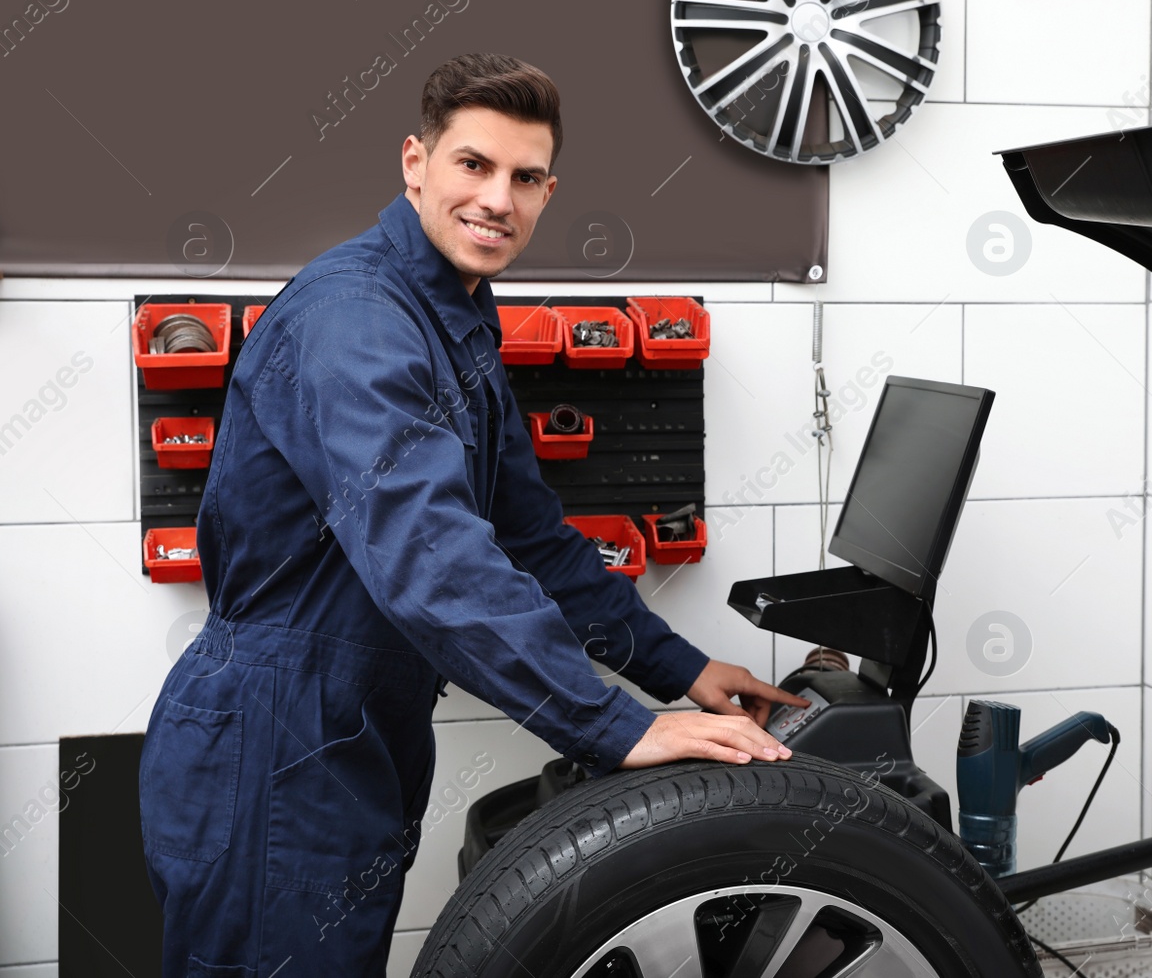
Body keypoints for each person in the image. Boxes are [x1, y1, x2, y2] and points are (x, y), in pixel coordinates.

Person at [138, 52, 807, 977]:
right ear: (415, 162)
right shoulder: (358, 319)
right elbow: (429, 554)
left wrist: (680, 668)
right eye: (473, 165)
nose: (498, 198)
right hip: (278, 738)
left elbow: (529, 538)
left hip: (346, 734)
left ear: (547, 191)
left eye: (525, 178)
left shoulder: (454, 319)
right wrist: (612, 725)